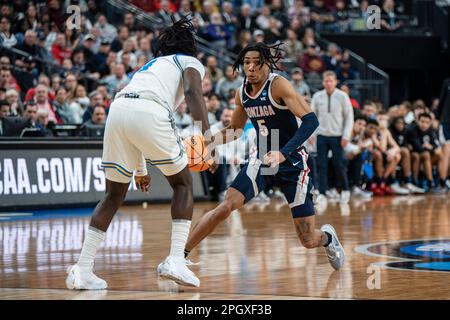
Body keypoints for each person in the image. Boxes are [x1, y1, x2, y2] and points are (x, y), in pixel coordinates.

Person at [66, 17, 214, 290]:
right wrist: (208, 140)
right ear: (191, 48)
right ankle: (175, 260)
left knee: (113, 195)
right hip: (149, 111)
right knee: (182, 184)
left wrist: (141, 170)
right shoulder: (190, 62)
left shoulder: (151, 66)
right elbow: (194, 94)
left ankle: (82, 269)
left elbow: (135, 119)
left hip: (118, 109)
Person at [184, 42, 345, 273]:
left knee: (308, 239)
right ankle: (181, 255)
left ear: (267, 65)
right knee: (225, 206)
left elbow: (311, 121)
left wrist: (283, 153)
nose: (250, 67)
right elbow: (235, 130)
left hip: (293, 164)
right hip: (261, 161)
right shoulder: (242, 92)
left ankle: (328, 238)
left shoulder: (278, 85)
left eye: (256, 63)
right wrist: (207, 142)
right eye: (246, 62)